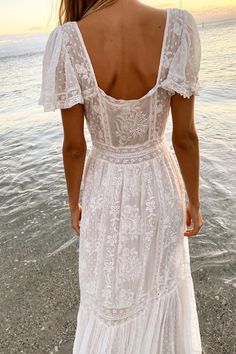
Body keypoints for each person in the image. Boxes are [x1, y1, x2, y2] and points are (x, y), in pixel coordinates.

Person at [39, 0, 204, 353]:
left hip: (104, 187)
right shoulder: (176, 27)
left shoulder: (69, 41)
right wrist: (194, 200)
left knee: (108, 295)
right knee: (160, 289)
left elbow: (73, 147)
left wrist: (73, 203)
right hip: (160, 182)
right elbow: (185, 137)